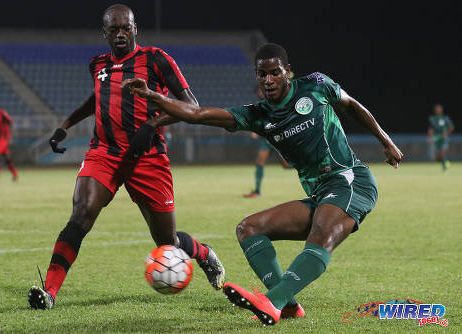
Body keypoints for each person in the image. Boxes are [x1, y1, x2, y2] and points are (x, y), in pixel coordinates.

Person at [121, 43, 403, 325]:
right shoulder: (257, 115)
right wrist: (152, 96)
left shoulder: (316, 85)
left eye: (275, 73)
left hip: (350, 180)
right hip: (321, 194)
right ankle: (289, 305)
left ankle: (273, 301)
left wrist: (385, 141)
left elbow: (351, 105)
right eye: (262, 75)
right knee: (249, 228)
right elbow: (197, 114)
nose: (268, 80)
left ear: (288, 72)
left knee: (322, 232)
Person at [27, 4, 225, 310]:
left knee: (167, 242)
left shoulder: (156, 59)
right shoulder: (98, 64)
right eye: (113, 29)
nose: (120, 34)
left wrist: (153, 124)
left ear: (135, 29)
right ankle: (49, 292)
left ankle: (202, 253)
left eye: (125, 28)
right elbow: (96, 97)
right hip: (104, 153)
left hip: (147, 157)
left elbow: (191, 104)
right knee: (80, 214)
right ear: (104, 32)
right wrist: (64, 125)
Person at [244, 86, 290, 198]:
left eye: (260, 90)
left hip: (278, 138)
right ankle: (257, 191)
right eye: (258, 91)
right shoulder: (260, 105)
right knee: (259, 162)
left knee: (286, 165)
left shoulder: (275, 102)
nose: (259, 93)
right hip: (266, 140)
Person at [427, 103, 454, 170]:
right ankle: (446, 162)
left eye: (439, 109)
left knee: (442, 151)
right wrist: (430, 137)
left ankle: (445, 165)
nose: (438, 110)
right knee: (438, 155)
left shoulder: (445, 118)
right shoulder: (432, 118)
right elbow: (431, 129)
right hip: (436, 138)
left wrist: (446, 134)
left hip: (444, 138)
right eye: (437, 109)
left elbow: (451, 127)